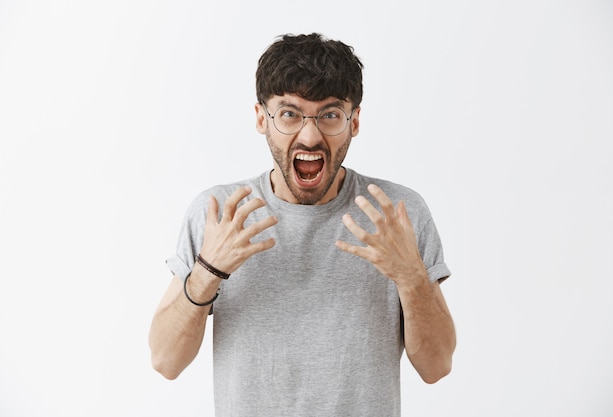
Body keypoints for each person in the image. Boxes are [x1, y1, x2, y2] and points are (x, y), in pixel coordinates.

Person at [149, 32, 456, 417]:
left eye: (330, 115)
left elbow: (437, 367)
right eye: (290, 114)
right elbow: (165, 361)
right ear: (262, 118)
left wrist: (411, 279)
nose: (310, 136)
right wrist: (208, 272)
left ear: (354, 121)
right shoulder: (219, 213)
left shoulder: (397, 212)